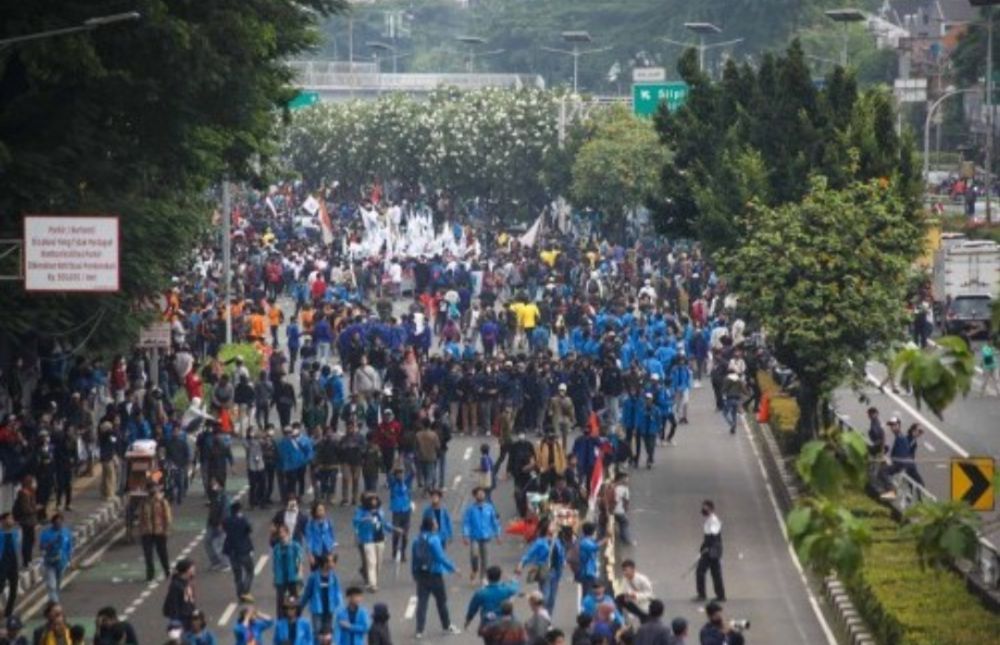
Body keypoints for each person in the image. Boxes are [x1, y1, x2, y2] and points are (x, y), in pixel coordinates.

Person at [411, 516, 462, 638]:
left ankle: (419, 630)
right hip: (435, 574)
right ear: (432, 526)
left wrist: (414, 573)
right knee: (441, 602)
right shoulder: (434, 539)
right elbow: (440, 557)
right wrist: (453, 568)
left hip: (421, 574)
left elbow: (414, 559)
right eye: (435, 523)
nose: (437, 524)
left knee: (422, 603)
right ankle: (447, 625)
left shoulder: (416, 539)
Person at [515, 521, 565, 614]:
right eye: (552, 525)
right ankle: (541, 615)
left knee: (552, 598)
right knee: (545, 596)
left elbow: (561, 554)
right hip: (544, 571)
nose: (554, 527)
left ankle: (548, 619)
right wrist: (521, 564)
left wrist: (563, 562)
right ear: (546, 528)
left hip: (556, 571)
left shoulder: (557, 541)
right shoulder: (540, 542)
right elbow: (529, 554)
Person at [353, 494, 393, 592]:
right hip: (368, 539)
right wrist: (364, 519)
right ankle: (372, 584)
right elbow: (355, 522)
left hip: (380, 538)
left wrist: (393, 529)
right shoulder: (361, 512)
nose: (374, 501)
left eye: (375, 499)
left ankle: (373, 579)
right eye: (372, 500)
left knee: (378, 563)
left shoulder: (380, 511)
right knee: (371, 562)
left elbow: (384, 523)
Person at [462, 487, 502, 583]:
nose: (481, 495)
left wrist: (498, 534)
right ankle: (474, 569)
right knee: (474, 554)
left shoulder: (489, 507)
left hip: (486, 536)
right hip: (474, 536)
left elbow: (494, 522)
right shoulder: (470, 509)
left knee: (485, 557)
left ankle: (483, 576)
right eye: (479, 494)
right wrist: (465, 535)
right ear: (475, 496)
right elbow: (466, 523)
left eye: (482, 493)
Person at [464, 565, 519, 630]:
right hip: (504, 622)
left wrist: (468, 621)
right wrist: (513, 580)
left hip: (488, 623)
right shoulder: (506, 589)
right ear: (500, 577)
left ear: (487, 578)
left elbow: (472, 609)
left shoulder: (480, 593)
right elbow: (515, 588)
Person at [300, 553, 343, 635]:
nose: (333, 564)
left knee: (329, 632)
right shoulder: (313, 577)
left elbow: (338, 593)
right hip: (317, 609)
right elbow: (307, 593)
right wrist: (300, 607)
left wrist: (341, 608)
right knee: (317, 632)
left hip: (330, 608)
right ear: (324, 563)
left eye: (333, 561)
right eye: (330, 561)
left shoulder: (334, 577)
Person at [222, 501, 256, 602]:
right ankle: (245, 591)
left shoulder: (226, 520)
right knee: (250, 571)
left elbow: (224, 529)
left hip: (231, 550)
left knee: (237, 574)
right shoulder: (242, 520)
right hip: (243, 549)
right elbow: (249, 529)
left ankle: (239, 593)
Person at [139, 483, 173, 581]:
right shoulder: (144, 502)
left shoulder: (162, 502)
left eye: (154, 489)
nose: (153, 492)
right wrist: (141, 529)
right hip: (147, 532)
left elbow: (167, 517)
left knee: (162, 553)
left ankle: (167, 571)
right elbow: (141, 517)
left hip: (160, 531)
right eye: (150, 489)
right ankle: (150, 574)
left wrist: (166, 529)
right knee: (148, 554)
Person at [694, 500, 725, 602]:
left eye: (706, 508)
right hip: (710, 550)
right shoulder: (709, 520)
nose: (704, 510)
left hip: (712, 551)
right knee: (715, 572)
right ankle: (720, 595)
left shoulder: (714, 520)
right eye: (703, 507)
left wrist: (706, 548)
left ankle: (702, 595)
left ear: (711, 509)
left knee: (700, 571)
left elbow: (713, 536)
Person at [39, 513, 73, 603]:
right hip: (50, 562)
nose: (59, 524)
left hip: (62, 562)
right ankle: (55, 602)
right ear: (53, 523)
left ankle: (53, 599)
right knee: (51, 584)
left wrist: (70, 559)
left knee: (58, 583)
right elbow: (42, 547)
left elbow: (69, 546)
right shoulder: (46, 533)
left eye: (60, 522)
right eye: (57, 523)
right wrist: (52, 542)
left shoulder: (66, 532)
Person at [272, 523, 305, 616]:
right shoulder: (276, 548)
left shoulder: (295, 546)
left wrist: (299, 572)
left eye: (283, 532)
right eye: (280, 533)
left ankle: (297, 618)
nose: (281, 534)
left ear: (287, 533)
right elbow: (274, 564)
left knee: (294, 599)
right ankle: (281, 619)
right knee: (280, 601)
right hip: (280, 577)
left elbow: (299, 560)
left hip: (292, 576)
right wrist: (275, 577)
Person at [388, 467, 414, 563]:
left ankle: (403, 552)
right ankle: (394, 550)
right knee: (396, 533)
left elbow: (412, 473)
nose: (401, 476)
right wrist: (394, 467)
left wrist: (410, 464)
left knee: (405, 535)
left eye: (402, 474)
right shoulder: (393, 484)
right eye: (398, 474)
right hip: (396, 511)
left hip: (406, 511)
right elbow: (389, 475)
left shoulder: (406, 483)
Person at [616, 559, 653, 624]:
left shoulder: (642, 579)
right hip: (632, 602)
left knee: (645, 621)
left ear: (633, 569)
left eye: (626, 570)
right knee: (619, 598)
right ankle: (620, 620)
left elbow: (649, 594)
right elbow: (624, 591)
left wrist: (636, 595)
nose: (624, 573)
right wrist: (627, 595)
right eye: (623, 570)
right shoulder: (625, 579)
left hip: (643, 604)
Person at [12, 475, 38, 567]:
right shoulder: (24, 494)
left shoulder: (31, 493)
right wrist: (36, 509)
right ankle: (27, 561)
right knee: (27, 541)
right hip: (26, 521)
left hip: (30, 521)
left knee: (30, 540)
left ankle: (29, 559)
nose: (34, 484)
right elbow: (25, 509)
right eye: (32, 482)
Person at [162, 559, 196, 628]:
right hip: (182, 619)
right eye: (192, 568)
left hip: (188, 617)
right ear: (186, 570)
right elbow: (174, 605)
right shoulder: (176, 586)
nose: (194, 569)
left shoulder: (187, 582)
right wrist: (176, 623)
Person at [205, 479, 230, 571]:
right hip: (212, 523)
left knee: (221, 544)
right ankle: (215, 562)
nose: (212, 485)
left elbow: (225, 511)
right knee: (207, 542)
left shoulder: (224, 496)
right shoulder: (214, 495)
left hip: (220, 524)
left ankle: (226, 564)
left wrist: (222, 523)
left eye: (214, 483)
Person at [0, 513, 22, 616]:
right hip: (2, 562)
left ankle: (8, 612)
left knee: (14, 588)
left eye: (12, 518)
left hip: (13, 562)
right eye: (9, 518)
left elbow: (18, 547)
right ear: (3, 521)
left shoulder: (16, 533)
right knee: (1, 585)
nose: (12, 520)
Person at [304, 502, 337, 570]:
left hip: (327, 550)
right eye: (319, 510)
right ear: (315, 512)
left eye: (322, 510)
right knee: (316, 571)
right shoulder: (311, 524)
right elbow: (309, 539)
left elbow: (332, 535)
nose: (321, 512)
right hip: (316, 551)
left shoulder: (328, 521)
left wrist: (332, 548)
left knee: (328, 571)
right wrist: (310, 554)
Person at [612, 472, 632, 545]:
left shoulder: (612, 486)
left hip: (610, 510)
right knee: (625, 523)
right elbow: (626, 502)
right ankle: (626, 539)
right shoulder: (624, 489)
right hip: (619, 511)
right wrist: (626, 510)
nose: (628, 480)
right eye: (626, 478)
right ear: (621, 479)